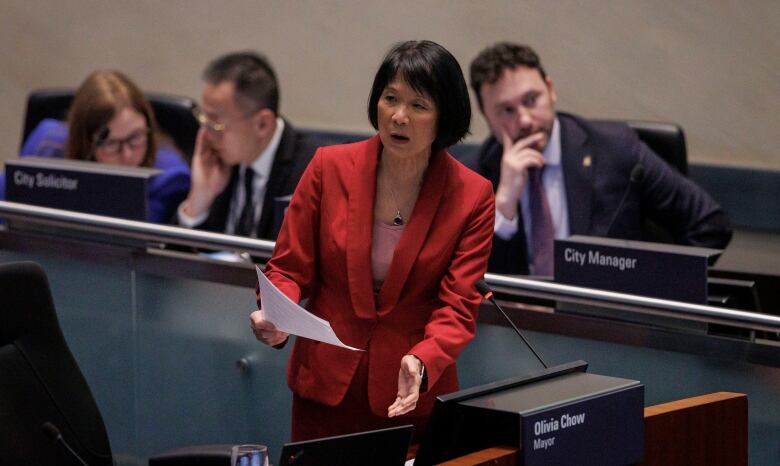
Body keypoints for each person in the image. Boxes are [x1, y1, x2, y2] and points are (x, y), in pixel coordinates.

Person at [249, 40, 494, 442]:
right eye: (390, 98)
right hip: (325, 388)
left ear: (444, 117)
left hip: (410, 394)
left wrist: (423, 360)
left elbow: (459, 305)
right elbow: (289, 267)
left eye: (418, 105)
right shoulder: (329, 168)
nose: (398, 116)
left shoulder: (472, 196)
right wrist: (279, 313)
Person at [463, 42, 732, 275]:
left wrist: (657, 290)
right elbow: (462, 275)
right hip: (519, 326)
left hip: (607, 323)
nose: (524, 120)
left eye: (531, 100)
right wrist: (504, 204)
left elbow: (709, 224)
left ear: (550, 89)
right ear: (485, 115)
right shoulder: (474, 175)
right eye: (506, 110)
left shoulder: (616, 150)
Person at [14, 70, 191, 223]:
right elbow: (8, 207)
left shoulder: (170, 176)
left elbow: (132, 245)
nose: (128, 154)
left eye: (136, 137)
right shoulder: (47, 145)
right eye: (111, 143)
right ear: (84, 141)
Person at [176, 52, 319, 239]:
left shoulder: (312, 170)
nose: (205, 134)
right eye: (204, 120)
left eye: (216, 125)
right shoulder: (214, 163)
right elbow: (175, 262)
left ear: (262, 124)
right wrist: (198, 199)